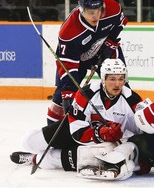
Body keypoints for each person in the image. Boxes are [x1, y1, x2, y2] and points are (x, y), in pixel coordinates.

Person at [10, 58, 143, 172]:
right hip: (78, 132)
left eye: (121, 79)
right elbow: (76, 131)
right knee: (29, 141)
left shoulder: (132, 100)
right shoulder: (87, 93)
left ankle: (34, 158)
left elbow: (139, 134)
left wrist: (139, 156)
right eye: (112, 79)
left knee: (60, 158)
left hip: (103, 146)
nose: (117, 84)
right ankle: (34, 151)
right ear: (103, 79)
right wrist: (99, 133)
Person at [46, 0, 128, 125]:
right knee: (62, 95)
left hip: (104, 51)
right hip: (76, 59)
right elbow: (67, 64)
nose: (96, 16)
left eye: (98, 11)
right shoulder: (69, 31)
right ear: (81, 9)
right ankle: (53, 130)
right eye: (91, 12)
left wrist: (110, 42)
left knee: (119, 84)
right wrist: (69, 91)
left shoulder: (111, 8)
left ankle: (126, 123)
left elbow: (120, 23)